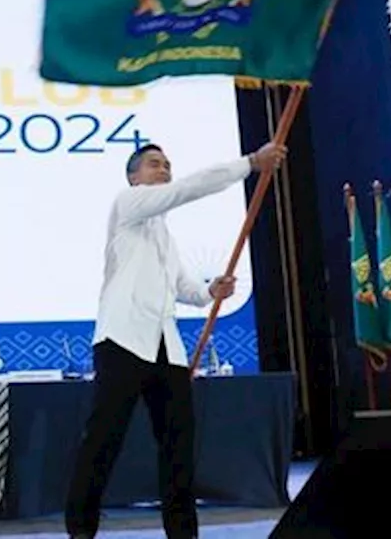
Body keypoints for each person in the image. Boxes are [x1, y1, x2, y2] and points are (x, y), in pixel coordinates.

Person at [64, 141, 285, 539]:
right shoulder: (127, 204)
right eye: (154, 164)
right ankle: (81, 530)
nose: (164, 170)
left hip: (166, 348)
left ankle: (183, 533)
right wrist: (250, 163)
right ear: (134, 176)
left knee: (178, 448)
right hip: (122, 342)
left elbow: (184, 287)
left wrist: (210, 291)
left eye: (167, 164)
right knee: (103, 441)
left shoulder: (165, 236)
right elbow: (188, 189)